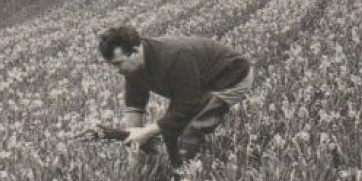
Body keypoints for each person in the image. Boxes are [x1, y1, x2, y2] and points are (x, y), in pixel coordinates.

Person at [97, 25, 253, 165]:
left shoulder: (174, 57)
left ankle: (188, 177)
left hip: (231, 77)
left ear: (136, 51)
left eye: (118, 63)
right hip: (200, 82)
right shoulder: (131, 68)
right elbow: (134, 107)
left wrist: (146, 133)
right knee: (171, 131)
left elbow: (188, 105)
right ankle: (176, 168)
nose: (117, 70)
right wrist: (133, 149)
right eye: (113, 65)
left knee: (191, 128)